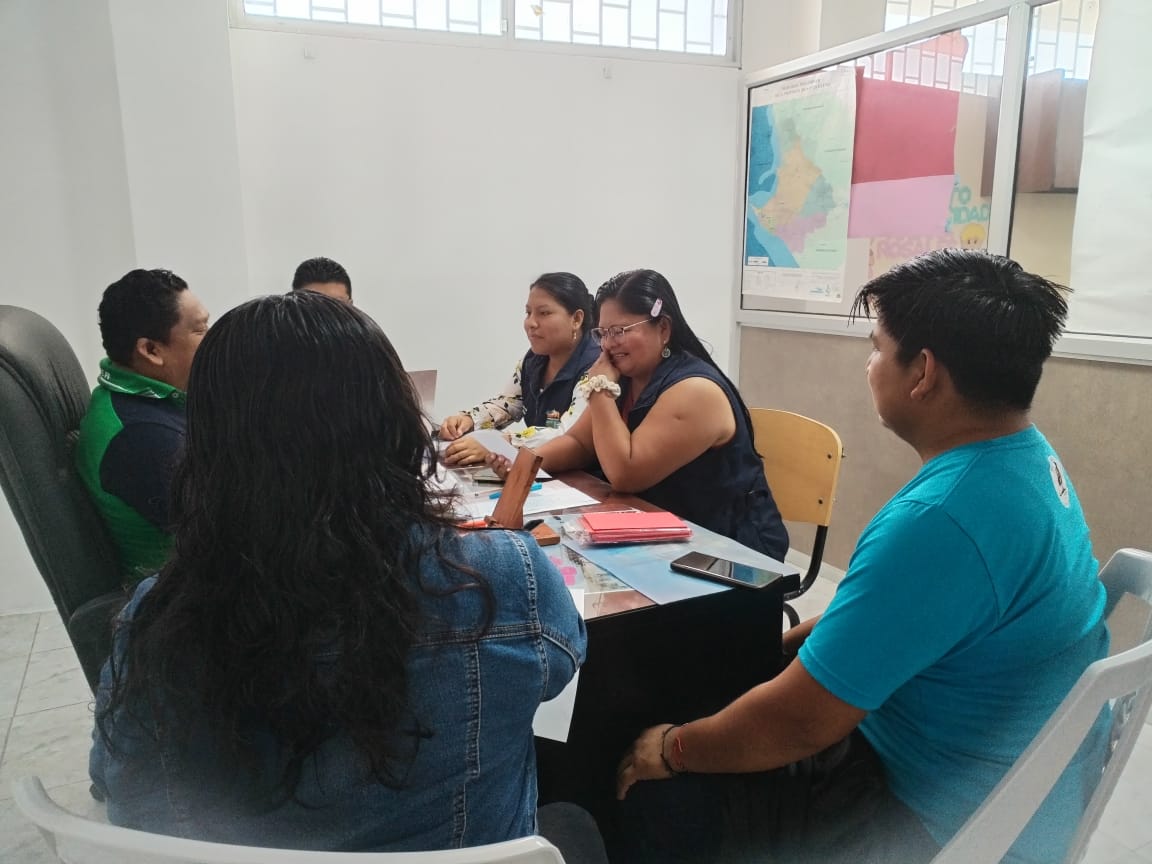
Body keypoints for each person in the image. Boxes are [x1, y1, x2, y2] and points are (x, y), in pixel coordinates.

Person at [612, 250, 1110, 864]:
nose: (870, 365)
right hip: (1023, 776)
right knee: (719, 688)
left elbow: (799, 723)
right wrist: (773, 652)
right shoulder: (1026, 461)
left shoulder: (939, 520)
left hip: (934, 815)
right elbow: (890, 614)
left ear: (923, 373)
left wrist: (673, 749)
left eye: (877, 348)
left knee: (657, 790)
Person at [89, 291, 592, 856]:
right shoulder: (506, 577)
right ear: (393, 424)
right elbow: (561, 665)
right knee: (575, 817)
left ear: (209, 446)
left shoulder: (156, 619)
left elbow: (123, 792)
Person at [487, 269, 788, 561]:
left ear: (663, 328)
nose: (608, 344)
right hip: (659, 529)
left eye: (620, 331)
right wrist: (521, 468)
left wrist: (599, 389)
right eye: (603, 333)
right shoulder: (628, 376)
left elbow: (626, 475)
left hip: (728, 548)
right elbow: (578, 443)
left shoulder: (695, 391)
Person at [75, 269, 210, 585]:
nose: (213, 340)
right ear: (151, 350)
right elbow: (234, 534)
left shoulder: (142, 402)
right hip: (191, 599)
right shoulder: (140, 438)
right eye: (201, 330)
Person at [439, 272, 600, 467]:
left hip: (582, 475)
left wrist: (500, 444)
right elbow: (509, 403)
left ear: (576, 319)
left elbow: (567, 433)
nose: (531, 323)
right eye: (528, 313)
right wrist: (470, 419)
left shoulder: (595, 367)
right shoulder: (533, 359)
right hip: (536, 467)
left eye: (544, 313)